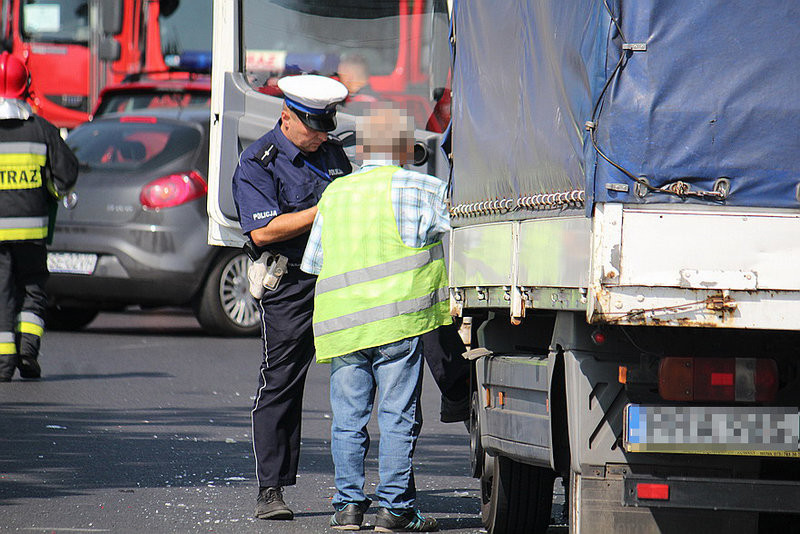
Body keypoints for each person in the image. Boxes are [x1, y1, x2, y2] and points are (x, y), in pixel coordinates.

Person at [301, 104, 450, 532]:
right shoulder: (425, 188)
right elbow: (465, 234)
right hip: (399, 322)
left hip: (344, 326)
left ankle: (348, 507)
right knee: (397, 416)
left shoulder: (335, 194)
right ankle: (394, 509)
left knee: (348, 420)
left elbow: (314, 263)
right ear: (405, 148)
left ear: (362, 149)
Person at [231, 74, 351, 521]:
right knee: (281, 381)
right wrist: (323, 211)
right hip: (292, 282)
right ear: (286, 117)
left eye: (326, 127)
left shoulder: (332, 153)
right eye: (313, 127)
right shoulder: (257, 161)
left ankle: (368, 493)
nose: (321, 136)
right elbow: (263, 231)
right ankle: (271, 490)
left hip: (339, 276)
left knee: (363, 374)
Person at [0, 52, 78, 382]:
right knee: (32, 288)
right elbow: (67, 174)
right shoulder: (42, 130)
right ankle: (27, 352)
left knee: (2, 292)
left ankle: (3, 364)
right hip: (32, 230)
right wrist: (52, 192)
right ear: (25, 87)